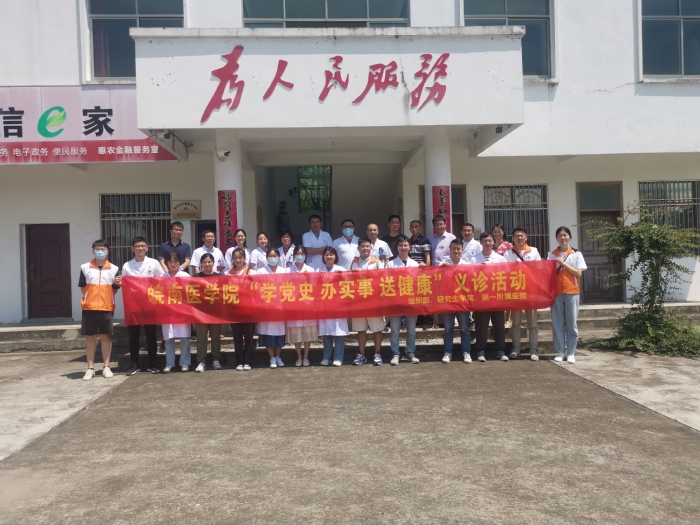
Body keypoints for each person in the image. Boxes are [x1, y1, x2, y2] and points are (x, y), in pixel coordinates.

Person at [78, 239, 122, 381]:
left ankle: (106, 367)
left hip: (106, 306)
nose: (100, 251)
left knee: (105, 337)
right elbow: (83, 287)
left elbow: (115, 288)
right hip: (89, 307)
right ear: (93, 250)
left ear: (108, 251)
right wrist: (91, 297)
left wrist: (113, 285)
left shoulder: (114, 268)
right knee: (90, 337)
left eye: (103, 249)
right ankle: (90, 368)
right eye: (97, 248)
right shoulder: (85, 267)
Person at [123, 237, 165, 376]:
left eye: (142, 246)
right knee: (133, 336)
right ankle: (134, 364)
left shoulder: (153, 263)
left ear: (147, 248)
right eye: (137, 246)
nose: (140, 248)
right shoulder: (127, 266)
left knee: (151, 335)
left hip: (150, 304)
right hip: (133, 305)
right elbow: (125, 285)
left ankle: (153, 363)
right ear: (132, 249)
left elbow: (161, 280)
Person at [548, 226, 587, 364]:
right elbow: (548, 273)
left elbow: (578, 273)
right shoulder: (552, 254)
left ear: (570, 237)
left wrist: (563, 263)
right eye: (560, 235)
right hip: (556, 292)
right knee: (558, 323)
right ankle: (560, 352)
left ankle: (571, 352)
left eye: (565, 235)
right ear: (556, 238)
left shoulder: (576, 254)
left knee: (571, 323)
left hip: (572, 292)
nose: (562, 238)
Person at [504, 227, 542, 361]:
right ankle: (516, 349)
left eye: (522, 235)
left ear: (526, 237)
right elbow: (504, 271)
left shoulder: (534, 251)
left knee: (533, 323)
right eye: (517, 236)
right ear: (513, 238)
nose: (519, 238)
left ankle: (533, 349)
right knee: (516, 323)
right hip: (515, 291)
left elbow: (540, 268)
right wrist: (512, 267)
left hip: (531, 291)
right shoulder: (508, 253)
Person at [470, 232, 508, 362]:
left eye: (490, 241)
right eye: (485, 241)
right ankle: (480, 350)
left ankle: (500, 350)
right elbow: (470, 277)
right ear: (480, 242)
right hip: (481, 297)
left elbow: (506, 274)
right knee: (481, 325)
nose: (487, 243)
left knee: (499, 325)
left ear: (493, 242)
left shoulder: (500, 258)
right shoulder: (474, 259)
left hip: (497, 296)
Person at [350, 238, 386, 365]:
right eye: (362, 246)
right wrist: (353, 274)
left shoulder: (377, 262)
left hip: (374, 301)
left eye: (367, 246)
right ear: (358, 248)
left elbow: (383, 279)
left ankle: (377, 354)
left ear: (371, 248)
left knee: (377, 329)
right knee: (361, 329)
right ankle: (361, 354)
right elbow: (347, 280)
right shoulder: (354, 262)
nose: (365, 248)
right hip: (359, 301)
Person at [386, 235, 420, 365]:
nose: (403, 247)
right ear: (397, 248)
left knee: (411, 330)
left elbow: (418, 283)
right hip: (396, 301)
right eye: (400, 245)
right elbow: (387, 282)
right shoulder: (390, 264)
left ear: (409, 247)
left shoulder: (415, 264)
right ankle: (395, 353)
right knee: (395, 330)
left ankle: (410, 352)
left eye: (405, 245)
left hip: (411, 301)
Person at [439, 239, 473, 364]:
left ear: (462, 250)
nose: (456, 251)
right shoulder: (444, 264)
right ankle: (448, 352)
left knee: (464, 328)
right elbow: (437, 281)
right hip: (448, 302)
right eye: (453, 248)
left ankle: (466, 352)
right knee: (448, 329)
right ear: (450, 250)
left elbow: (471, 283)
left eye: (458, 249)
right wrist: (442, 269)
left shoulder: (467, 265)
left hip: (462, 302)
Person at [257, 247, 289, 368]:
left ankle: (278, 356)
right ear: (266, 258)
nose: (273, 258)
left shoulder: (284, 271)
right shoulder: (260, 272)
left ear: (279, 257)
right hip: (267, 307)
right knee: (268, 333)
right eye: (270, 256)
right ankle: (272, 358)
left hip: (280, 307)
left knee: (279, 333)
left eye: (275, 256)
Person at [286, 246, 318, 367]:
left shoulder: (310, 269)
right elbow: (286, 286)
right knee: (296, 331)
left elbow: (315, 286)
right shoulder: (288, 270)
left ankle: (306, 356)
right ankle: (299, 356)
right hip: (294, 304)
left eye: (302, 254)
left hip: (307, 304)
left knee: (307, 331)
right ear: (294, 255)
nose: (300, 256)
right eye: (298, 254)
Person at [317, 247, 348, 366]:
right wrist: (319, 278)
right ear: (323, 257)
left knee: (338, 332)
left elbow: (348, 285)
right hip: (325, 305)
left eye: (331, 255)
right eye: (326, 255)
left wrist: (342, 277)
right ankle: (326, 357)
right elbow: (314, 287)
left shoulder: (341, 270)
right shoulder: (319, 270)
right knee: (326, 333)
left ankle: (338, 358)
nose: (329, 257)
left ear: (335, 256)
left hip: (338, 305)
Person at [162, 252, 191, 373]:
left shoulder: (185, 276)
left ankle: (184, 363)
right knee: (169, 339)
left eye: (175, 261)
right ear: (167, 263)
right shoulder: (163, 277)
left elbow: (190, 293)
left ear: (180, 263)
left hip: (182, 311)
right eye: (170, 262)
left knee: (184, 338)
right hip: (168, 311)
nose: (173, 264)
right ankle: (169, 364)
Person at [194, 253, 223, 373]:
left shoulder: (219, 277)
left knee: (215, 336)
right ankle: (201, 361)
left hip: (215, 312)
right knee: (201, 337)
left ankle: (216, 359)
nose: (207, 264)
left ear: (213, 263)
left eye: (209, 262)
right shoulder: (196, 277)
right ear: (201, 264)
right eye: (204, 262)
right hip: (200, 313)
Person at [229, 247, 256, 371]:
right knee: (237, 337)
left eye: (240, 257)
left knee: (249, 337)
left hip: (249, 310)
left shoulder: (252, 273)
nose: (238, 260)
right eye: (235, 258)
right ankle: (239, 361)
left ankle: (248, 361)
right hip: (234, 311)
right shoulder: (228, 274)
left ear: (244, 258)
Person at [409, 220, 433, 329]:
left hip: (423, 273)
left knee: (426, 297)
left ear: (420, 228)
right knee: (417, 297)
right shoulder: (408, 241)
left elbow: (427, 256)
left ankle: (429, 321)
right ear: (410, 229)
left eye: (416, 227)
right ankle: (420, 320)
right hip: (412, 274)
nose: (414, 229)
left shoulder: (424, 240)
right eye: (412, 227)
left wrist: (426, 271)